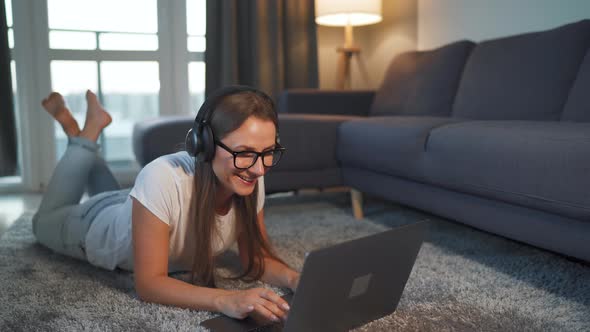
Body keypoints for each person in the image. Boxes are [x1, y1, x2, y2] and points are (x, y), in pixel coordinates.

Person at [33, 86, 300, 324]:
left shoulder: (251, 176)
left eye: (268, 153)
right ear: (204, 146)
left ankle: (80, 136)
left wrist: (295, 279)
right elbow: (149, 284)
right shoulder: (161, 176)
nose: (260, 170)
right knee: (43, 222)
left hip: (136, 207)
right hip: (94, 224)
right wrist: (227, 299)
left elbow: (255, 258)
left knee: (130, 201)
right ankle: (85, 135)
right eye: (244, 153)